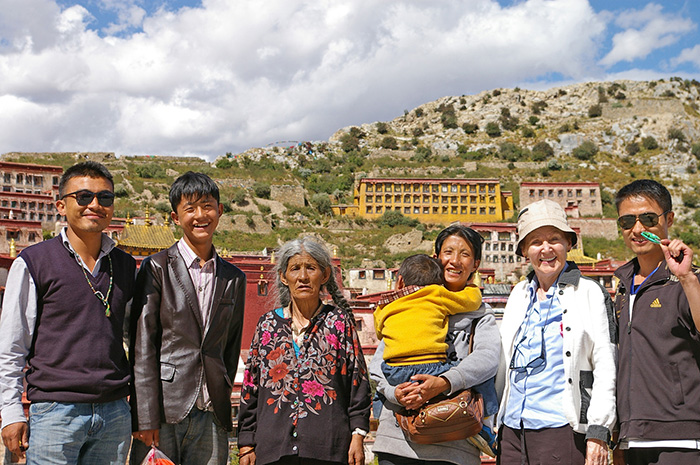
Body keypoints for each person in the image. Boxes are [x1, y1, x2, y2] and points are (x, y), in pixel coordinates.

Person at [0, 161, 135, 464]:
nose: (95, 205)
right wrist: (10, 412)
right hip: (55, 412)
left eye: (105, 198)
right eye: (84, 197)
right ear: (61, 205)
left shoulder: (125, 265)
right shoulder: (34, 262)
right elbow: (11, 347)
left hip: (113, 412)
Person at [129, 171, 246, 465]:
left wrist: (221, 388)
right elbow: (143, 347)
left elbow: (230, 347)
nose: (200, 215)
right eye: (189, 208)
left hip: (212, 411)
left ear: (220, 210)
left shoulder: (234, 278)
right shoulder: (156, 268)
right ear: (175, 217)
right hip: (165, 410)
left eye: (207, 206)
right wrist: (144, 416)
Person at [496, 199, 617, 465]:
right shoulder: (518, 294)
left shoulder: (589, 293)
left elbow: (606, 363)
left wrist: (598, 430)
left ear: (568, 245)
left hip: (561, 427)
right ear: (525, 250)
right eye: (536, 241)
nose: (546, 249)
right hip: (513, 430)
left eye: (554, 239)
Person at [371, 225, 500, 465]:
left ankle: (487, 428)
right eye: (448, 252)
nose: (455, 261)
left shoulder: (481, 315)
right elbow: (381, 361)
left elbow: (487, 358)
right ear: (436, 258)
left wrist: (443, 383)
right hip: (397, 442)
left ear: (476, 264)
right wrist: (395, 393)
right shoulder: (409, 306)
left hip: (454, 442)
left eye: (465, 254)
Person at [237, 237, 371, 465]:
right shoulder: (267, 325)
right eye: (295, 269)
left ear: (325, 275)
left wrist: (358, 435)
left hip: (328, 448)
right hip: (273, 450)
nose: (303, 277)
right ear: (283, 276)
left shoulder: (339, 322)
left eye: (311, 268)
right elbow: (251, 387)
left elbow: (358, 384)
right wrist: (246, 443)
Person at [613, 180, 700, 465]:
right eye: (627, 221)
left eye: (648, 219)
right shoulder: (622, 287)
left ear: (669, 219)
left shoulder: (689, 279)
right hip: (632, 436)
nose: (638, 230)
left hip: (681, 437)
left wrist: (686, 278)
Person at [374, 253, 482, 386]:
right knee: (476, 376)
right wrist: (471, 286)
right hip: (432, 369)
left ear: (400, 281)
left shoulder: (385, 305)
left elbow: (380, 334)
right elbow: (472, 301)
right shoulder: (436, 293)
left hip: (394, 372)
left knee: (380, 393)